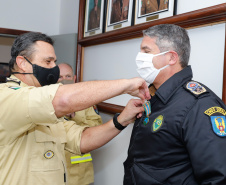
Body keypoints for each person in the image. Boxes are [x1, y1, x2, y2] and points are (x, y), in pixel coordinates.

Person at [0, 32, 150, 185]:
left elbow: (82, 140)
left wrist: (121, 120)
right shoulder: (7, 96)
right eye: (48, 61)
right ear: (22, 63)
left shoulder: (43, 105)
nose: (54, 68)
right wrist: (126, 85)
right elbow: (63, 100)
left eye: (54, 61)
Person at [123, 24, 226, 184]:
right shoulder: (152, 96)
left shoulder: (198, 105)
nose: (140, 57)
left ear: (171, 57)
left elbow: (218, 177)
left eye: (146, 51)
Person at [58, 63, 103, 185]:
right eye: (60, 77)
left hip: (81, 175)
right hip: (55, 173)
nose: (64, 80)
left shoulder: (86, 101)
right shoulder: (46, 100)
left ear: (74, 78)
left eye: (68, 76)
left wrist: (75, 116)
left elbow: (97, 129)